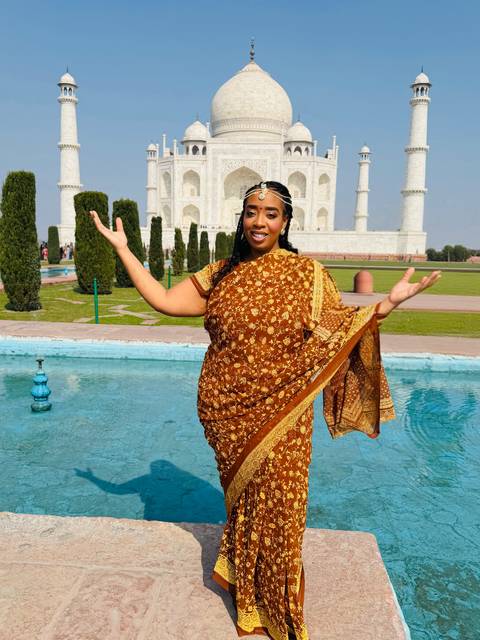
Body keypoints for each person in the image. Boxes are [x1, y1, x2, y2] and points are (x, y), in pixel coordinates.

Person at [88, 181, 441, 640]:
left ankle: (276, 608)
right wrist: (124, 249)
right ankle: (245, 586)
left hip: (284, 409)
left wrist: (386, 304)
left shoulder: (307, 274)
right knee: (248, 504)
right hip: (225, 408)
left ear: (286, 221)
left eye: (271, 213)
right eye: (252, 212)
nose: (260, 222)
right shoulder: (221, 273)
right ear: (242, 218)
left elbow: (338, 328)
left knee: (282, 509)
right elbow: (164, 301)